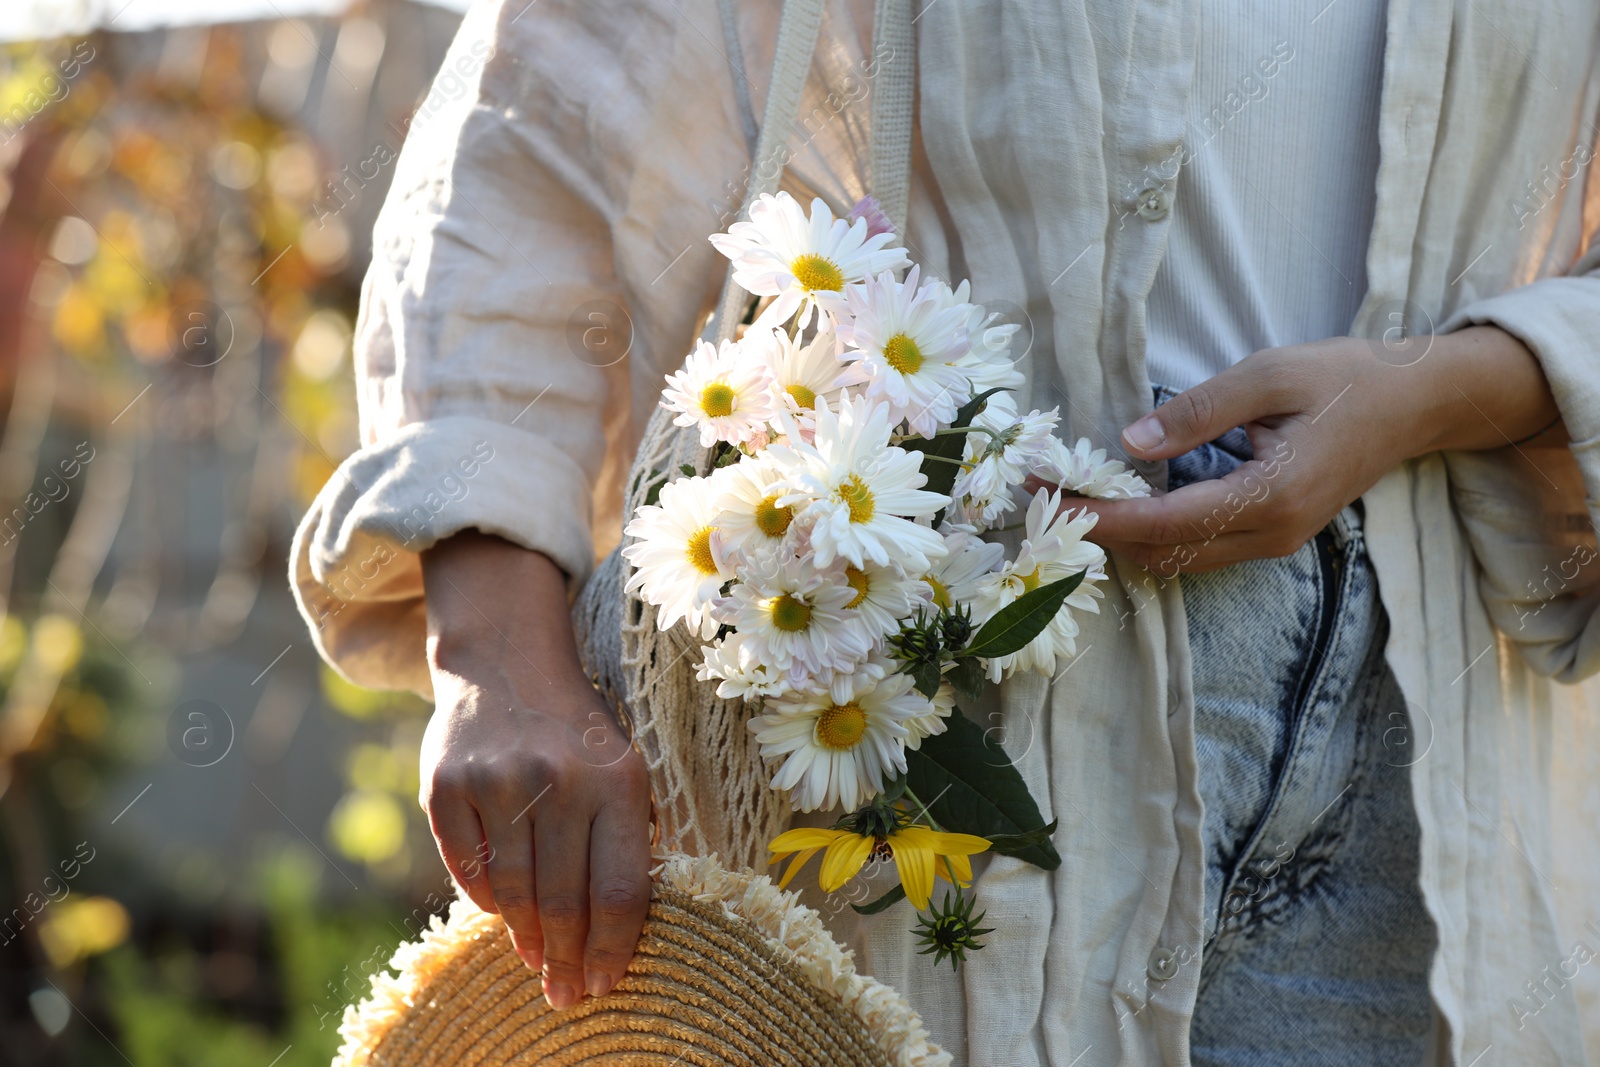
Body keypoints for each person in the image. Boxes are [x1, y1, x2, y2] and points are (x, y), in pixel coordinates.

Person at [290, 0, 1600, 1063]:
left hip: (1435, 744)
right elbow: (546, 136)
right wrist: (496, 656)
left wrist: (1448, 383)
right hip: (947, 680)